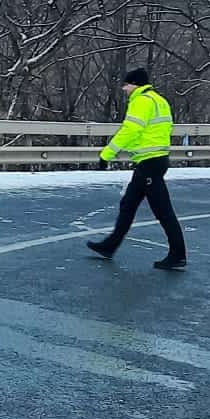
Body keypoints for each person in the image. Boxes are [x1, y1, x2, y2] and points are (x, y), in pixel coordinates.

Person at [86, 67, 186, 270]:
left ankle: (178, 254)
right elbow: (155, 131)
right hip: (154, 160)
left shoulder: (141, 101)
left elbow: (130, 130)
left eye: (126, 84)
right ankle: (109, 245)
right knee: (128, 205)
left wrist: (107, 154)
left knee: (163, 211)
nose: (124, 89)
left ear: (135, 84)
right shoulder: (159, 100)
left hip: (150, 163)